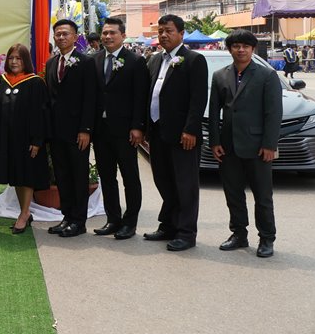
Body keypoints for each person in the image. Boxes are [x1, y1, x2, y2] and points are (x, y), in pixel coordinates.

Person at [209, 29, 282, 258]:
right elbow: (214, 112)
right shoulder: (220, 75)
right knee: (233, 194)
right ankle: (239, 234)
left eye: (245, 46)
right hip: (228, 146)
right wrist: (215, 141)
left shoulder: (267, 75)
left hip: (258, 146)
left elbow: (273, 113)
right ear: (230, 49)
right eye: (236, 46)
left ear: (253, 49)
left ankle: (267, 238)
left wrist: (269, 145)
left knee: (263, 196)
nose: (241, 50)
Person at [144, 14, 209, 252]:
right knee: (163, 180)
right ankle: (168, 225)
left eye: (168, 31)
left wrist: (190, 129)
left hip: (183, 135)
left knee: (185, 185)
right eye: (160, 31)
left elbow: (198, 98)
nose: (163, 35)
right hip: (157, 132)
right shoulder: (154, 60)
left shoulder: (194, 60)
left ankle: (186, 232)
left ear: (181, 33)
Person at [91, 17, 150, 240]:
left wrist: (138, 127)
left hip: (126, 131)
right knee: (107, 177)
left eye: (112, 33)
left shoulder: (135, 61)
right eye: (105, 33)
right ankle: (112, 219)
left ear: (123, 36)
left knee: (130, 177)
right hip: (101, 130)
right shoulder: (95, 60)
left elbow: (140, 97)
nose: (107, 36)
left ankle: (130, 222)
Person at [44, 18, 96, 238]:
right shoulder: (51, 63)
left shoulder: (86, 62)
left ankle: (79, 221)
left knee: (78, 176)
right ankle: (67, 217)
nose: (61, 37)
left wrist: (86, 129)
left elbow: (90, 98)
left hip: (77, 132)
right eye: (58, 34)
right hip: (56, 132)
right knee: (62, 175)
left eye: (65, 33)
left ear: (75, 37)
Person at [0, 43, 50, 235]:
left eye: (18, 58)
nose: (14, 62)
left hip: (27, 139)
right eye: (11, 58)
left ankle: (24, 213)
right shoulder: (1, 81)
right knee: (16, 176)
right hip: (8, 138)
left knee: (26, 176)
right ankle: (24, 212)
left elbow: (41, 114)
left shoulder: (35, 83)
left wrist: (37, 140)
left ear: (25, 60)